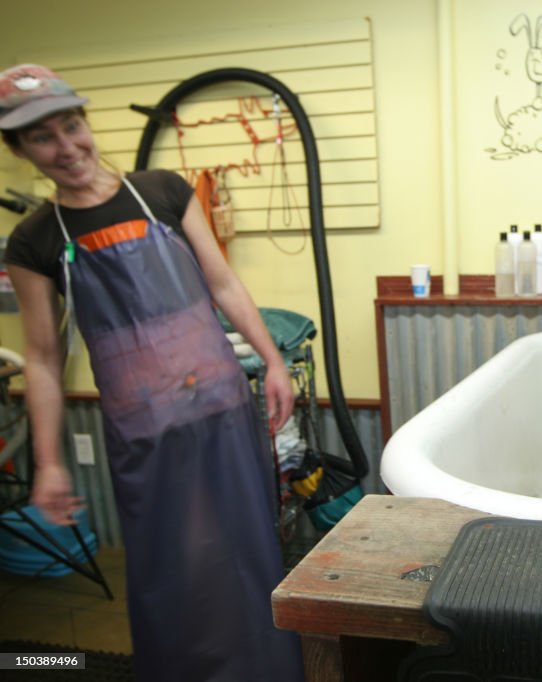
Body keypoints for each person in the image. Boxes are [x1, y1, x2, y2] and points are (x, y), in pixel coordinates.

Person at [0, 64, 304, 682]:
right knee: (175, 568)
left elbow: (223, 284)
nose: (67, 147)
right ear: (19, 150)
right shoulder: (33, 241)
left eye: (72, 125)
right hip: (144, 433)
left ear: (86, 123)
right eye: (43, 138)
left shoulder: (163, 192)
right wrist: (51, 461)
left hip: (222, 411)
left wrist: (272, 360)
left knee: (249, 553)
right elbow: (41, 357)